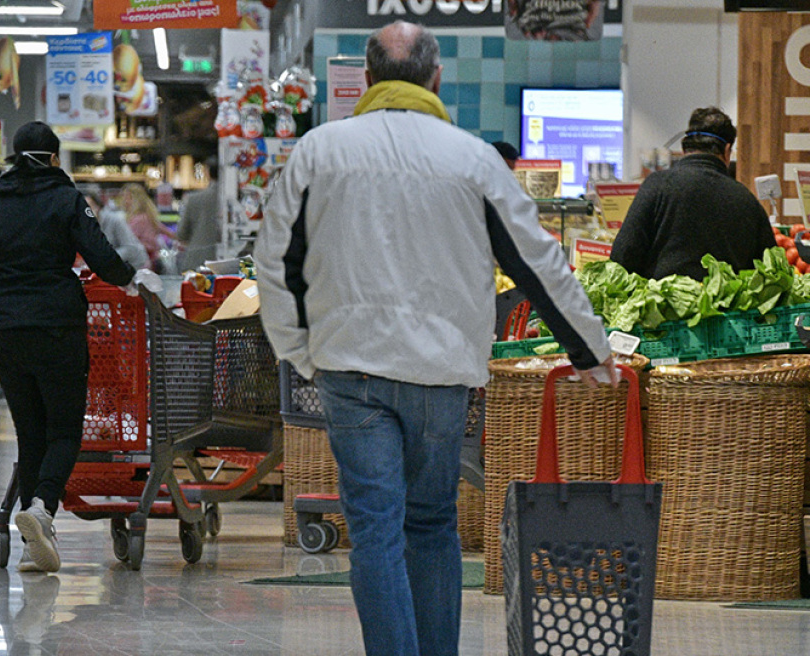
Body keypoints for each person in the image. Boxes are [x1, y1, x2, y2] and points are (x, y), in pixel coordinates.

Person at [254, 21, 615, 656]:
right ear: (436, 77)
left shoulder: (318, 151)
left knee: (374, 533)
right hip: (442, 376)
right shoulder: (472, 158)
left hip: (350, 369)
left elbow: (274, 262)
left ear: (366, 79)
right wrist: (588, 349)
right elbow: (536, 260)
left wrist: (299, 351)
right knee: (431, 526)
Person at [0, 122, 138, 573]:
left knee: (30, 434)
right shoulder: (67, 200)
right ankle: (41, 510)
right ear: (54, 159)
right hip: (57, 327)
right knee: (64, 430)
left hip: (8, 334)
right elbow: (102, 257)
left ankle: (32, 542)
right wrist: (132, 280)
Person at [610, 107, 776, 280]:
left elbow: (622, 257)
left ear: (684, 148)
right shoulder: (746, 200)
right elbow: (768, 271)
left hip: (661, 304)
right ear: (727, 151)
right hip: (726, 306)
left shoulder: (656, 185)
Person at [86, 194, 150, 270]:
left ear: (98, 207)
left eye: (90, 207)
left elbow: (130, 248)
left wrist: (106, 258)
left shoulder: (114, 220)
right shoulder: (85, 226)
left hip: (135, 266)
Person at [176, 160, 220, 271]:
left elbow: (182, 234)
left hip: (198, 262)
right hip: (234, 263)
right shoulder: (240, 199)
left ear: (207, 173)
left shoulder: (194, 199)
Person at [122, 183, 176, 271]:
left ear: (135, 199)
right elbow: (169, 233)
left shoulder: (137, 219)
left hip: (141, 264)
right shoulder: (149, 216)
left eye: (127, 197)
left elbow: (128, 242)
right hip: (152, 261)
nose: (124, 201)